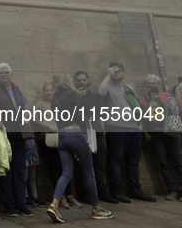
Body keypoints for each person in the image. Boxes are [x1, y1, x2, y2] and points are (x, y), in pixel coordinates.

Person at [46, 72, 114, 223]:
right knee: (89, 172)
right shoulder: (71, 93)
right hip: (75, 134)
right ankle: (96, 209)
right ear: (67, 81)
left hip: (62, 137)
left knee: (66, 173)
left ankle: (54, 204)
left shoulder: (55, 98)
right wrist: (86, 122)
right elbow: (79, 114)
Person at [98, 62, 156, 202]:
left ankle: (135, 189)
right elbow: (100, 92)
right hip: (116, 127)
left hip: (134, 128)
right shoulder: (107, 86)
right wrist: (108, 74)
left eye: (119, 71)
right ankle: (117, 190)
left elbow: (136, 105)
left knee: (134, 161)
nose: (117, 73)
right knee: (115, 160)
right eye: (114, 71)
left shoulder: (128, 87)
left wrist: (140, 125)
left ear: (123, 73)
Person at [0, 63, 32, 217]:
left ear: (11, 74)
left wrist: (26, 118)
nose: (3, 75)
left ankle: (22, 204)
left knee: (20, 170)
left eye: (6, 73)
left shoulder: (17, 89)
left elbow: (25, 108)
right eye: (0, 74)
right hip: (3, 136)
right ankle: (9, 205)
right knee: (5, 170)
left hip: (19, 135)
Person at [74, 71, 117, 204]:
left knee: (99, 164)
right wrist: (77, 97)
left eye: (83, 80)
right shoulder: (72, 96)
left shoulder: (93, 96)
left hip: (97, 132)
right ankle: (85, 193)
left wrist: (102, 131)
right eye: (78, 80)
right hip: (83, 133)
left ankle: (102, 192)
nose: (81, 82)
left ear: (88, 80)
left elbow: (99, 113)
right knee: (84, 165)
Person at [140, 74, 182, 201]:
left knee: (178, 161)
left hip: (170, 131)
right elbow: (142, 116)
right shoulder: (144, 99)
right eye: (149, 83)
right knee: (164, 162)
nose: (151, 85)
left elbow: (175, 110)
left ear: (159, 85)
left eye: (153, 83)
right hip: (155, 133)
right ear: (146, 86)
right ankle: (173, 190)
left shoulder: (168, 96)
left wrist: (160, 100)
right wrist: (145, 130)